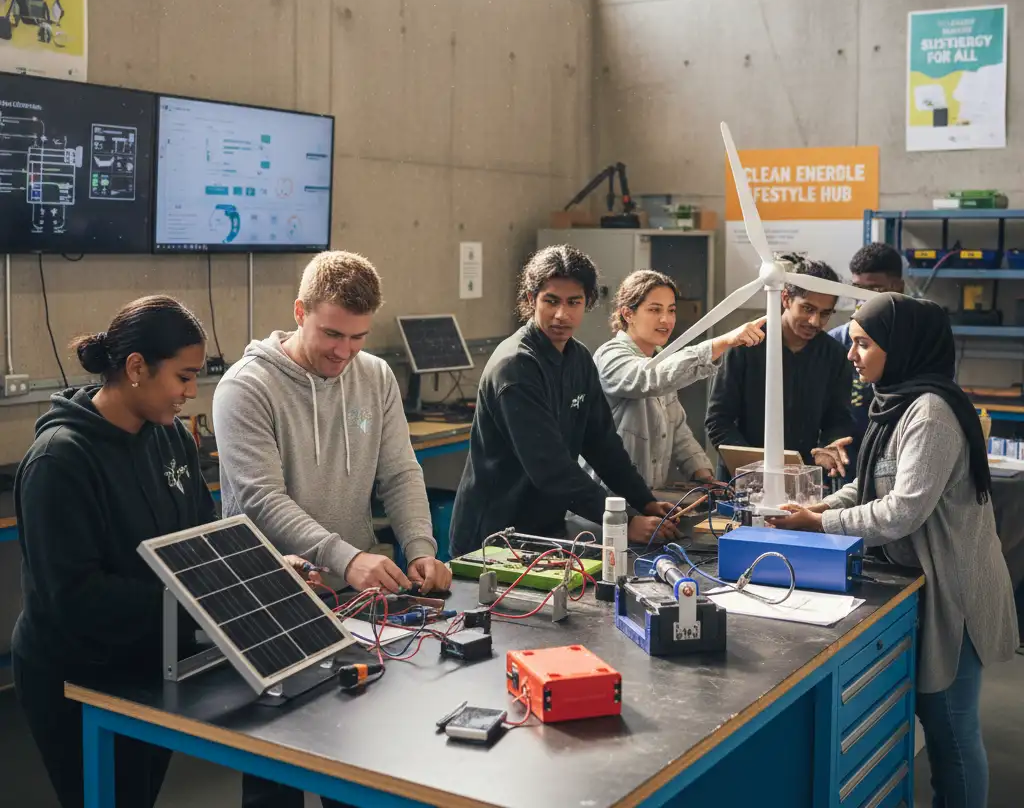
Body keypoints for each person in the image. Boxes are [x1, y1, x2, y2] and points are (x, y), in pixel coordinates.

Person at [214, 251, 451, 807]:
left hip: (355, 600)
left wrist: (419, 547)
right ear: (299, 312)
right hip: (273, 604)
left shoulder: (374, 377)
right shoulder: (245, 388)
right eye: (331, 334)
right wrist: (347, 557)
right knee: (277, 772)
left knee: (358, 766)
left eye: (358, 338)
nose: (344, 352)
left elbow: (399, 471)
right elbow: (260, 501)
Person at [770, 293, 1017, 808]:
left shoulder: (929, 415)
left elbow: (902, 510)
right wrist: (808, 504)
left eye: (863, 343)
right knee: (939, 718)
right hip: (925, 581)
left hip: (957, 592)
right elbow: (867, 488)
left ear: (900, 346)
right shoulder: (896, 401)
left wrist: (820, 524)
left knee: (951, 729)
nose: (851, 355)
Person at [12, 296, 215, 808]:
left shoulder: (171, 440)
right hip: (77, 674)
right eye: (184, 377)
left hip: (150, 660)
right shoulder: (60, 461)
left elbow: (204, 535)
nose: (191, 394)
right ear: (136, 368)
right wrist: (192, 601)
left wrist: (260, 571)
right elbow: (77, 596)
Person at [449, 246, 683, 559]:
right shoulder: (516, 367)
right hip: (493, 536)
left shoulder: (579, 359)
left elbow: (602, 444)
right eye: (551, 301)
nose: (562, 314)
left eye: (574, 302)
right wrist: (625, 521)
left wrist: (644, 500)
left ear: (588, 302)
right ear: (532, 300)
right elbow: (551, 469)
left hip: (544, 531)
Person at [591, 270, 766, 489]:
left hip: (646, 502)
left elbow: (678, 431)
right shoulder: (611, 356)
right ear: (628, 314)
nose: (665, 319)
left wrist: (703, 475)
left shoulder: (659, 359)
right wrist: (722, 342)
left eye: (671, 310)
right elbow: (649, 377)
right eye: (654, 310)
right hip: (605, 506)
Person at [705, 258, 854, 474]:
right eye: (807, 308)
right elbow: (718, 419)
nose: (815, 321)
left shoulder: (834, 355)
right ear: (785, 298)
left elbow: (837, 417)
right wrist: (752, 468)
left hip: (803, 478)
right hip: (741, 479)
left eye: (825, 313)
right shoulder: (745, 345)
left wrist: (830, 446)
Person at [828, 243, 905, 473]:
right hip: (847, 462)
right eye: (857, 289)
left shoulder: (918, 345)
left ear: (898, 287)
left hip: (900, 460)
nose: (863, 300)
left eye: (873, 290)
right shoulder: (836, 343)